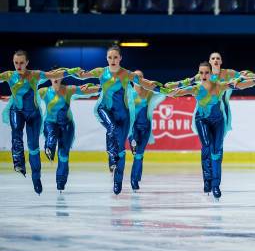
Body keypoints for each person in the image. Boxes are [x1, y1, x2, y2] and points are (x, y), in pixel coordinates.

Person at [76, 45, 166, 195]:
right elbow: (83, 75)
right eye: (110, 57)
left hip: (123, 116)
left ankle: (117, 182)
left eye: (115, 57)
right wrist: (72, 73)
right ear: (106, 58)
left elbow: (144, 83)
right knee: (111, 129)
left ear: (120, 59)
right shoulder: (100, 72)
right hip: (105, 109)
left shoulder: (126, 74)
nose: (112, 60)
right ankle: (111, 157)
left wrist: (161, 89)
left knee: (121, 151)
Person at [0, 51, 80, 194]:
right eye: (16, 63)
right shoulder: (8, 76)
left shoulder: (35, 75)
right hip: (16, 111)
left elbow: (54, 75)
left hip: (33, 115)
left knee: (33, 147)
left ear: (27, 63)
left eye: (21, 63)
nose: (18, 66)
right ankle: (18, 163)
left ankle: (36, 178)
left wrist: (71, 71)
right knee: (16, 132)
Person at [169, 62, 253, 198]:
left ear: (211, 74)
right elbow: (179, 91)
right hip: (201, 120)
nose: (203, 75)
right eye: (201, 73)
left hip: (218, 121)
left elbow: (238, 85)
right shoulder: (196, 88)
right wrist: (169, 90)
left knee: (216, 151)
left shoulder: (219, 86)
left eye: (206, 73)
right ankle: (207, 180)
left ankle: (216, 185)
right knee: (207, 146)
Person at [39, 78, 99, 191]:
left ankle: (61, 182)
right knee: (51, 138)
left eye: (58, 75)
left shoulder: (68, 90)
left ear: (62, 77)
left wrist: (101, 88)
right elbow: (29, 95)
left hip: (67, 125)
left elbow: (86, 91)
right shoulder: (44, 91)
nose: (56, 78)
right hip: (50, 123)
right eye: (53, 75)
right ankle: (49, 147)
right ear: (50, 77)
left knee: (63, 154)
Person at [128, 70, 166, 191]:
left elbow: (163, 95)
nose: (138, 79)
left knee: (139, 154)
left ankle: (135, 178)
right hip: (132, 129)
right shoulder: (128, 93)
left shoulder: (149, 94)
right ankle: (135, 177)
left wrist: (156, 86)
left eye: (140, 77)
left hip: (146, 128)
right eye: (136, 77)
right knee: (136, 153)